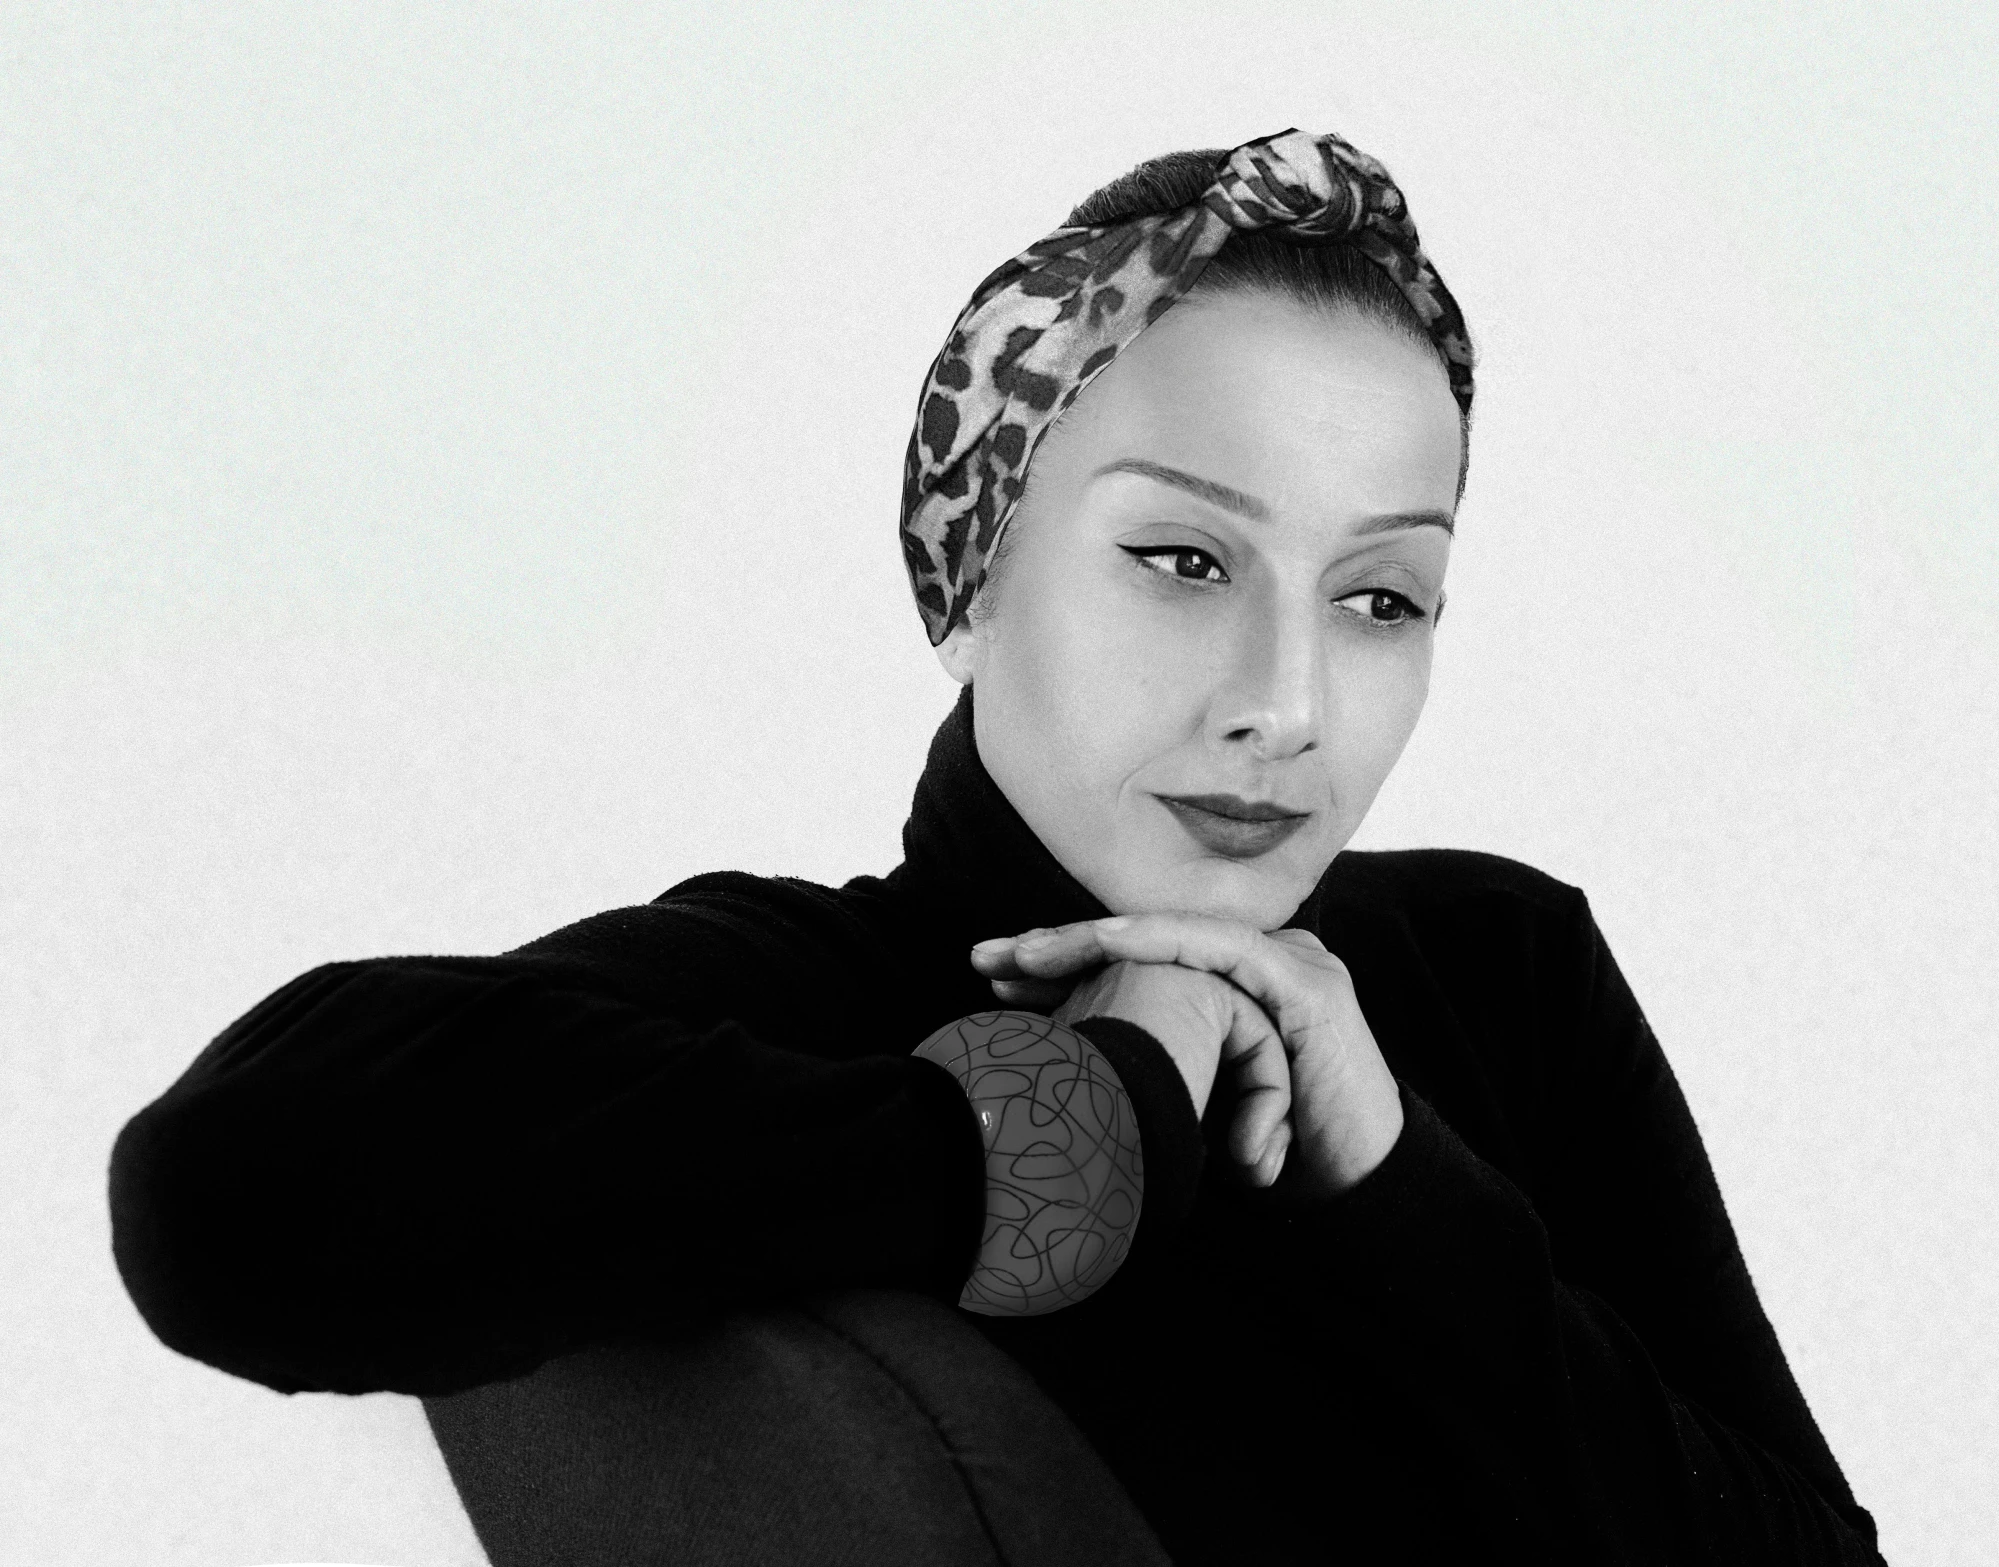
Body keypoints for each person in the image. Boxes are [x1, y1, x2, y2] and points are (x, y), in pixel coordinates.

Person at [108, 128, 1887, 1563]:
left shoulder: (1491, 968)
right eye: (1183, 560)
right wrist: (1079, 1123)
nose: (1291, 702)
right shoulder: (809, 992)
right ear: (969, 578)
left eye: (1378, 597)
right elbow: (228, 1189)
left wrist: (1397, 1190)